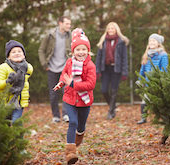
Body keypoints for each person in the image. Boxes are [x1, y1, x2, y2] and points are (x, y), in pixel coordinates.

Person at [53, 28, 96, 164]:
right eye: (78, 50)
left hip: (85, 101)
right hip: (70, 99)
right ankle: (70, 153)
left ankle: (79, 134)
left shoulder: (90, 66)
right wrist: (61, 83)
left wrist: (72, 83)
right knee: (72, 122)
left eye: (84, 49)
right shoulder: (69, 63)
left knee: (81, 126)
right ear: (73, 51)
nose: (81, 52)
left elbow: (90, 84)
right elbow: (64, 75)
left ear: (88, 50)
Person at [38, 16, 71, 123]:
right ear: (60, 23)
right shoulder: (50, 35)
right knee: (53, 94)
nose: (69, 26)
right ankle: (56, 116)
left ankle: (66, 115)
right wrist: (44, 64)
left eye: (69, 24)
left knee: (66, 91)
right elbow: (41, 50)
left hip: (65, 68)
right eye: (67, 24)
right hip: (52, 68)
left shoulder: (70, 36)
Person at [0, 40, 33, 123]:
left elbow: (30, 70)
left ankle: (18, 136)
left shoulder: (26, 68)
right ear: (8, 56)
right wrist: (7, 82)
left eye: (19, 51)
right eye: (13, 52)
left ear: (24, 55)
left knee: (16, 122)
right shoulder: (3, 68)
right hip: (5, 101)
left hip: (19, 101)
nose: (17, 53)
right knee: (4, 124)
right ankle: (5, 136)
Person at [95, 22, 129, 120]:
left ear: (116, 30)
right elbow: (99, 57)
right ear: (107, 30)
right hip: (105, 68)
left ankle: (111, 112)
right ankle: (112, 106)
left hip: (116, 69)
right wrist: (97, 71)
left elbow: (124, 58)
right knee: (104, 90)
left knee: (114, 91)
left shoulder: (121, 42)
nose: (110, 30)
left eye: (112, 28)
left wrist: (124, 72)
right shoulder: (103, 41)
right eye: (109, 28)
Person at [136, 33, 168, 124]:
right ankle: (143, 118)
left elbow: (164, 69)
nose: (151, 42)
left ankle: (165, 118)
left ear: (158, 43)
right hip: (147, 82)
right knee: (145, 100)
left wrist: (159, 78)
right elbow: (142, 69)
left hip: (157, 82)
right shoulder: (146, 55)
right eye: (150, 41)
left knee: (159, 101)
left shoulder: (163, 55)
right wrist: (140, 79)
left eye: (154, 41)